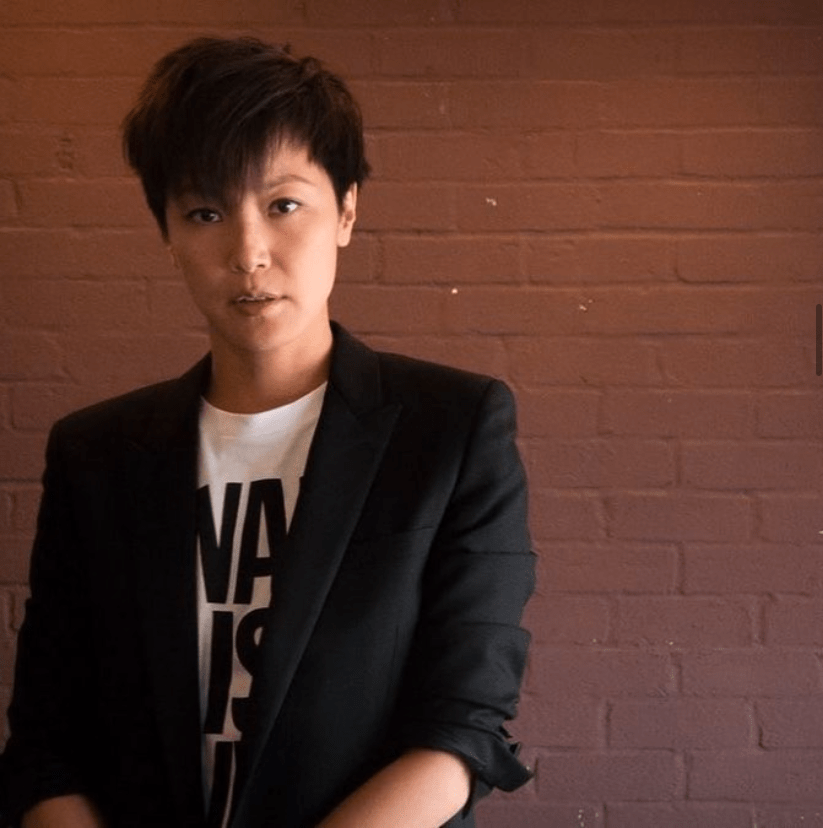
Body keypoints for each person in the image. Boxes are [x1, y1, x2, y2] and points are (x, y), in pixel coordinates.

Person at [0, 37, 535, 828]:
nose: (248, 253)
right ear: (167, 232)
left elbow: (463, 730)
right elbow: (46, 743)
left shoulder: (451, 428)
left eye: (284, 205)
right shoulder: (97, 455)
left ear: (346, 210)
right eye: (205, 213)